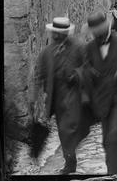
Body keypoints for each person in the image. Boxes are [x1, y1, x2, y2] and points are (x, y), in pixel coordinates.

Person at [31, 17, 91, 174]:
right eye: (54, 33)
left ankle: (70, 159)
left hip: (74, 95)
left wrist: (76, 75)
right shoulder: (47, 52)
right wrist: (34, 98)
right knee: (63, 131)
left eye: (59, 33)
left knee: (69, 129)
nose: (56, 36)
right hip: (55, 98)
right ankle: (70, 160)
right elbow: (39, 75)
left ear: (65, 33)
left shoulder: (79, 48)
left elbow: (89, 67)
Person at [83, 11, 117, 175]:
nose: (97, 35)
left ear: (106, 28)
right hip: (101, 102)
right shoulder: (90, 48)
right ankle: (112, 171)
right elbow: (85, 70)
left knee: (113, 138)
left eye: (99, 31)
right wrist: (89, 73)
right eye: (94, 32)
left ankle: (113, 173)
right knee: (107, 142)